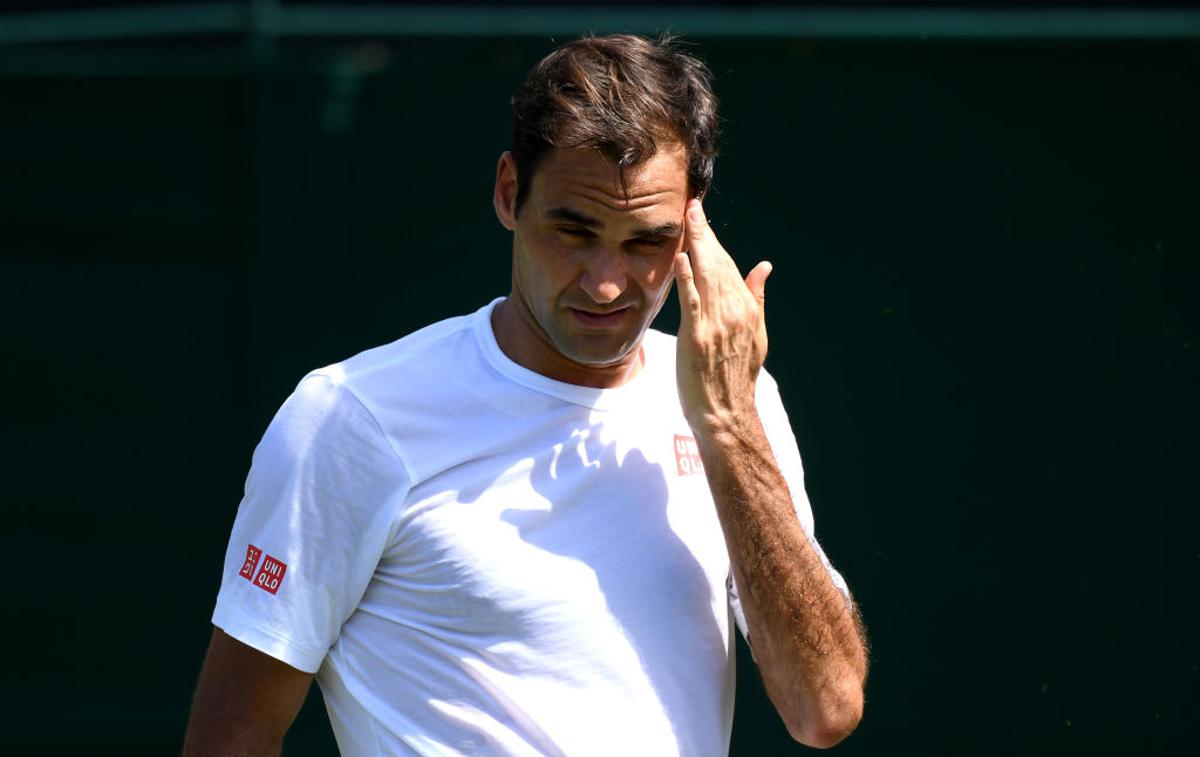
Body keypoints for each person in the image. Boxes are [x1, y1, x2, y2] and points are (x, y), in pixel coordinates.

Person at [183, 33, 867, 756]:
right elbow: (235, 729)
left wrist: (728, 426)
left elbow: (823, 707)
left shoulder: (740, 403)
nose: (607, 282)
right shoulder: (350, 417)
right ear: (510, 192)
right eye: (575, 230)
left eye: (645, 242)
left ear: (693, 225)